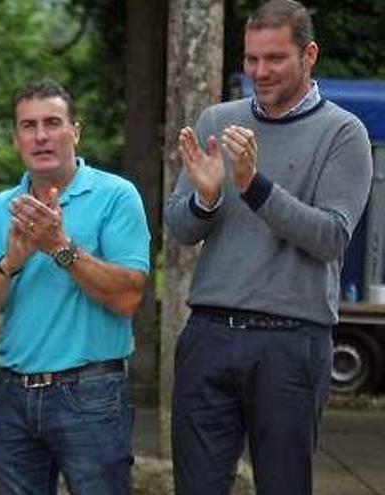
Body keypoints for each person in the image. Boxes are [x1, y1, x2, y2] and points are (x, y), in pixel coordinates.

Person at [164, 1, 374, 494]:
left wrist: (253, 185)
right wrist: (208, 197)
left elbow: (330, 237)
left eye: (275, 59)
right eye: (251, 59)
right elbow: (180, 227)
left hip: (291, 343)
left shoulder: (344, 133)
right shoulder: (217, 118)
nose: (259, 72)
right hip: (209, 334)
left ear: (310, 55)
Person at [0, 80, 150, 495]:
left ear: (75, 131)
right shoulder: (0, 209)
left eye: (52, 122)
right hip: (12, 395)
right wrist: (10, 263)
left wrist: (59, 248)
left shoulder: (116, 196)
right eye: (28, 126)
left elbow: (128, 297)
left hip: (90, 394)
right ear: (16, 139)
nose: (41, 135)